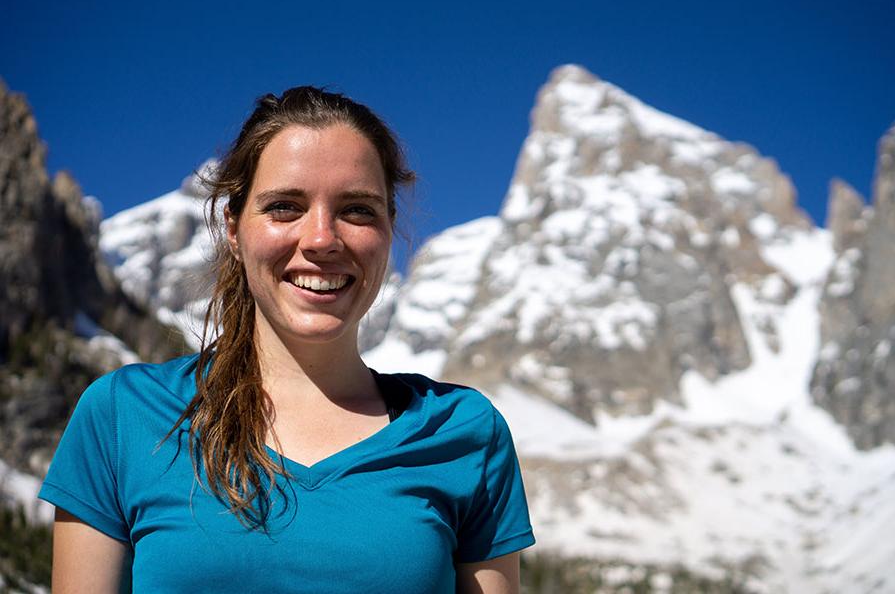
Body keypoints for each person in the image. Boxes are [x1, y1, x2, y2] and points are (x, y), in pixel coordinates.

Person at [39, 86, 535, 593]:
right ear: (233, 228)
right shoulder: (123, 416)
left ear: (389, 231)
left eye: (357, 210)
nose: (322, 238)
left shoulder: (466, 431)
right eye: (284, 207)